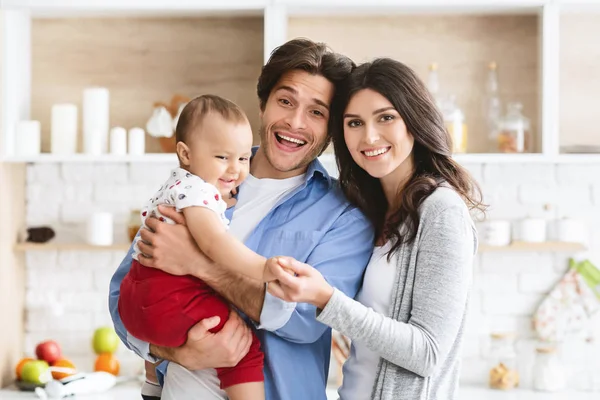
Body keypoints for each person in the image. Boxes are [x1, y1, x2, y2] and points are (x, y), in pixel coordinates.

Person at [108, 38, 374, 400]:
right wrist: (174, 353)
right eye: (285, 101)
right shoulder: (198, 179)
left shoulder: (343, 216)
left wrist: (201, 265)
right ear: (263, 105)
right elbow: (123, 295)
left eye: (316, 112)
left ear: (331, 128)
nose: (295, 122)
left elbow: (306, 321)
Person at [266, 58, 485, 400]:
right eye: (354, 123)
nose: (369, 136)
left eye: (386, 117)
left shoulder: (441, 211)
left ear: (413, 120)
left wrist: (326, 298)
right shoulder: (372, 210)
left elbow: (427, 353)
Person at [119, 94, 295, 400]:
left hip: (134, 301)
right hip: (167, 298)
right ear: (185, 154)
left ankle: (152, 382)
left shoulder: (177, 186)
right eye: (222, 157)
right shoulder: (198, 193)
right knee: (246, 348)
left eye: (242, 158)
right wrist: (261, 268)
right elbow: (214, 243)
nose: (236, 169)